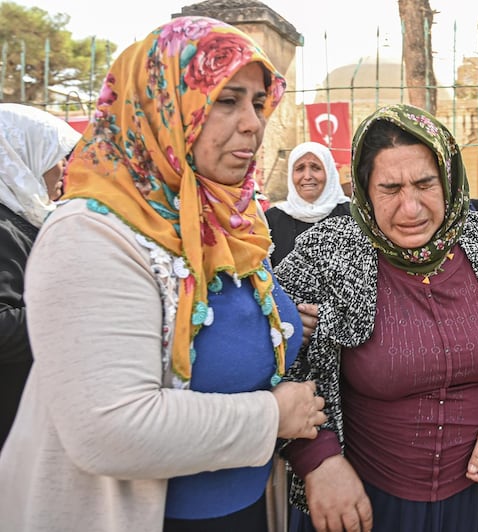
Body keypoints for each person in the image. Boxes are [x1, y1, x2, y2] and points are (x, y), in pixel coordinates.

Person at [0, 16, 327, 532]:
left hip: (241, 506)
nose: (253, 123)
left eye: (258, 103)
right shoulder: (92, 234)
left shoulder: (229, 218)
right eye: (226, 99)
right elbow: (108, 430)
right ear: (161, 103)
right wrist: (272, 417)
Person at [274, 103, 478, 532]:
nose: (411, 207)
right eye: (390, 188)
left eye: (425, 184)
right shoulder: (326, 252)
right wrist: (318, 461)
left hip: (477, 500)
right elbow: (274, 359)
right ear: (363, 190)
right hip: (361, 501)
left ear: (448, 181)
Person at [0, 103, 80, 450]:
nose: (64, 169)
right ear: (22, 155)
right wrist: (78, 314)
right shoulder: (3, 226)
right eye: (57, 155)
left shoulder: (26, 216)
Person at [265, 141, 350, 267]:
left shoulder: (352, 215)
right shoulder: (272, 220)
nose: (307, 176)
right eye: (299, 169)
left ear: (329, 171)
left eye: (316, 168)